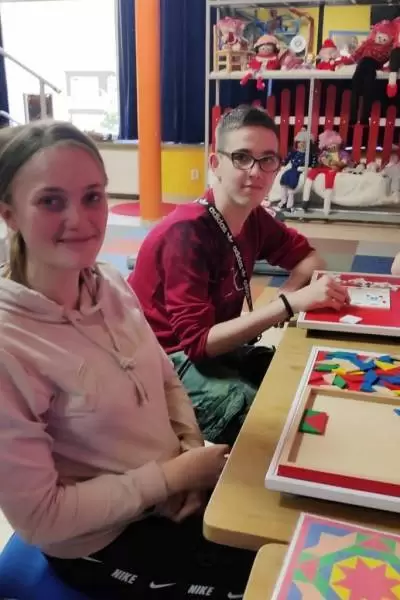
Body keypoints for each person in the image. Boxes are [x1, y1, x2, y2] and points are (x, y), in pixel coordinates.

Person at [0, 120, 256, 600]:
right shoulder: (10, 344)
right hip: (100, 541)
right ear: (9, 213)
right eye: (51, 201)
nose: (79, 219)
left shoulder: (111, 283)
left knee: (282, 531)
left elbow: (166, 378)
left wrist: (188, 456)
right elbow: (40, 518)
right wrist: (169, 479)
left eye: (92, 196)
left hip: (170, 489)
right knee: (272, 582)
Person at [128, 105, 349, 445]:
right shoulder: (187, 233)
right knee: (273, 421)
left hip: (215, 347)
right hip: (162, 361)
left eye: (267, 160)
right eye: (242, 157)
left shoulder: (255, 218)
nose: (255, 172)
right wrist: (287, 305)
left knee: (301, 375)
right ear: (215, 163)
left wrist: (285, 293)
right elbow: (197, 344)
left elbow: (310, 258)